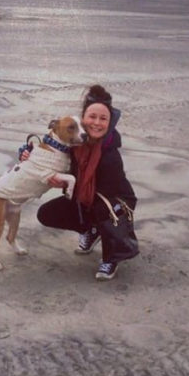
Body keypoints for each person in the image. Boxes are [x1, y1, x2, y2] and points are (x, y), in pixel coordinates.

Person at [35, 84, 137, 281]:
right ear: (83, 118)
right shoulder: (75, 141)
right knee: (46, 213)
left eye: (103, 118)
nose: (97, 123)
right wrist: (26, 152)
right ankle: (90, 230)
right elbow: (50, 149)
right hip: (87, 197)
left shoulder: (110, 153)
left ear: (110, 121)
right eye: (92, 117)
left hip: (114, 203)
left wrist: (68, 185)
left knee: (103, 211)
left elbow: (108, 197)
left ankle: (111, 257)